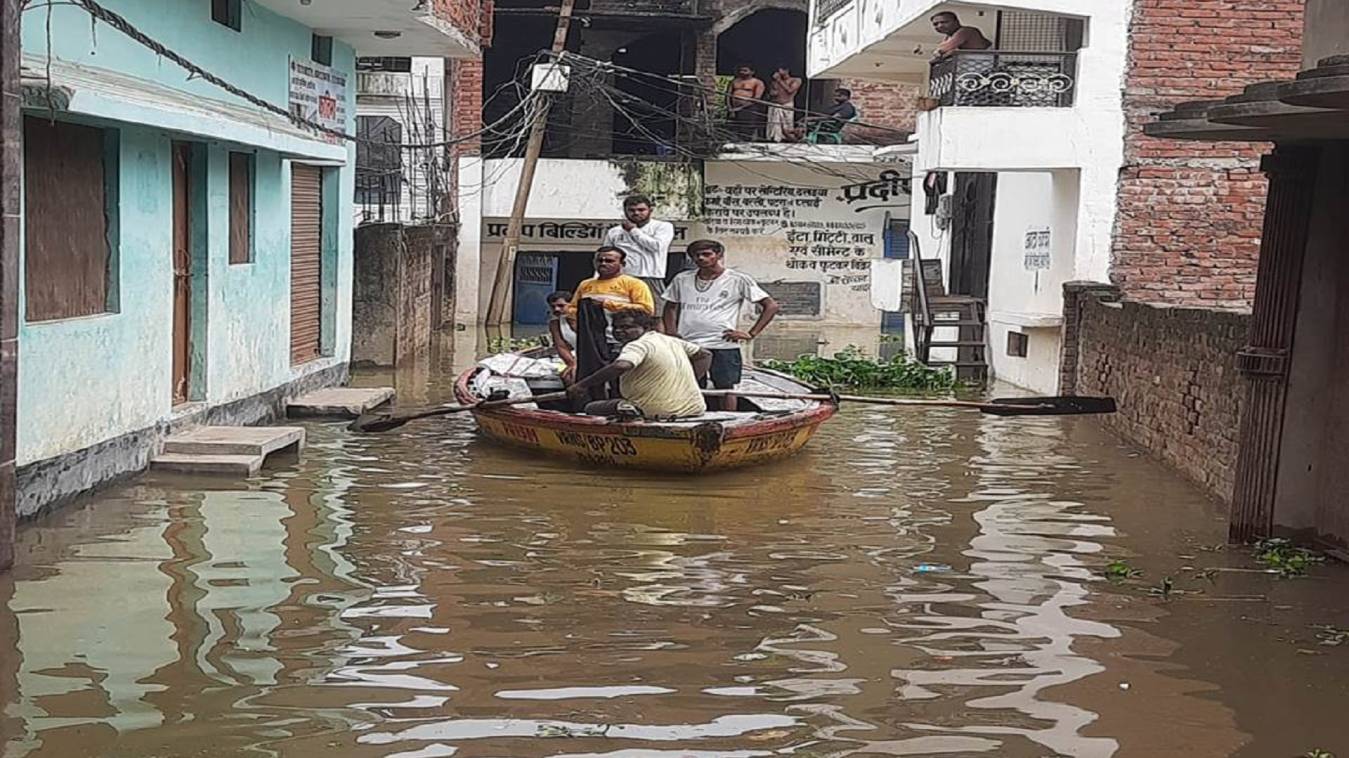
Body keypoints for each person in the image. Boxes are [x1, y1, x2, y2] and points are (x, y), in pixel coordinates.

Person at [662, 239, 780, 411]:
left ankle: (728, 421)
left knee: (726, 388)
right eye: (697, 255)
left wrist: (751, 333)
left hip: (722, 343)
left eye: (707, 254)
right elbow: (670, 307)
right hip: (689, 343)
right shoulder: (682, 279)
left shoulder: (738, 279)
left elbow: (771, 306)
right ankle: (694, 417)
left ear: (718, 255)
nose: (701, 258)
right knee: (689, 385)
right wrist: (671, 333)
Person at [567, 310, 712, 420]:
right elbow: (705, 355)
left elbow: (621, 366)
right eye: (616, 328)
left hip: (656, 412)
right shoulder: (671, 340)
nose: (619, 332)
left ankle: (628, 408)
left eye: (627, 327)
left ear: (646, 327)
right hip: (695, 408)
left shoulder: (637, 345)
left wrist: (581, 385)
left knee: (590, 408)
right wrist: (690, 381)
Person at [603, 195, 675, 315]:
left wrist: (633, 231)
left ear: (650, 210)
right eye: (631, 210)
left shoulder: (663, 226)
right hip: (621, 279)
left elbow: (656, 246)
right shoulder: (614, 231)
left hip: (650, 277)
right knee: (620, 315)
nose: (636, 213)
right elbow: (605, 255)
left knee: (654, 315)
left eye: (641, 210)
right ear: (625, 211)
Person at [726, 64, 765, 141]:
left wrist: (741, 107)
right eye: (741, 70)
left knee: (747, 128)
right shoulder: (734, 81)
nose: (742, 72)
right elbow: (728, 95)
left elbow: (756, 98)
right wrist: (730, 107)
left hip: (749, 108)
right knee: (734, 127)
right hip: (733, 109)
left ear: (752, 72)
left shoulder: (757, 82)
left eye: (745, 70)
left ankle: (746, 143)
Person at [546, 290, 577, 382]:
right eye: (553, 306)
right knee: (568, 377)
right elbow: (560, 346)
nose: (556, 309)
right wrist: (571, 364)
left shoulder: (584, 319)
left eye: (561, 306)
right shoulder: (554, 323)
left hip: (593, 356)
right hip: (576, 357)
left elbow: (588, 343)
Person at [766, 66, 802, 143]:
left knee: (787, 124)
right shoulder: (774, 82)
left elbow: (790, 90)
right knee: (774, 125)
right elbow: (771, 93)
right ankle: (774, 139)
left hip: (786, 104)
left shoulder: (796, 80)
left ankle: (787, 138)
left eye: (781, 70)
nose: (779, 72)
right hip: (775, 104)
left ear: (787, 70)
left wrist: (779, 80)